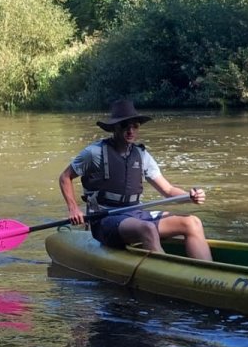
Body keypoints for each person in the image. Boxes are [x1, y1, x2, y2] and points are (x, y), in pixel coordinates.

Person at [57, 99, 211, 261]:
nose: (130, 130)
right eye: (125, 126)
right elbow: (65, 177)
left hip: (136, 214)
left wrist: (189, 196)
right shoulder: (94, 153)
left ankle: (208, 274)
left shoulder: (142, 155)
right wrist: (73, 208)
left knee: (192, 223)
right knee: (147, 229)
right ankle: (165, 274)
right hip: (104, 219)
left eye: (135, 126)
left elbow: (168, 190)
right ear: (115, 127)